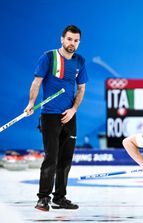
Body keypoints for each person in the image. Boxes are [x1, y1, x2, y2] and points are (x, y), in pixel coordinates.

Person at [24, 25, 88, 211]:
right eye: (69, 39)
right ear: (62, 39)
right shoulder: (49, 57)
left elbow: (82, 89)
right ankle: (43, 198)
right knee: (51, 157)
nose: (72, 43)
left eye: (76, 40)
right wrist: (30, 103)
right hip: (50, 116)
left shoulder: (80, 61)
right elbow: (36, 82)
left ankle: (59, 198)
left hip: (69, 116)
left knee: (66, 159)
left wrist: (74, 109)